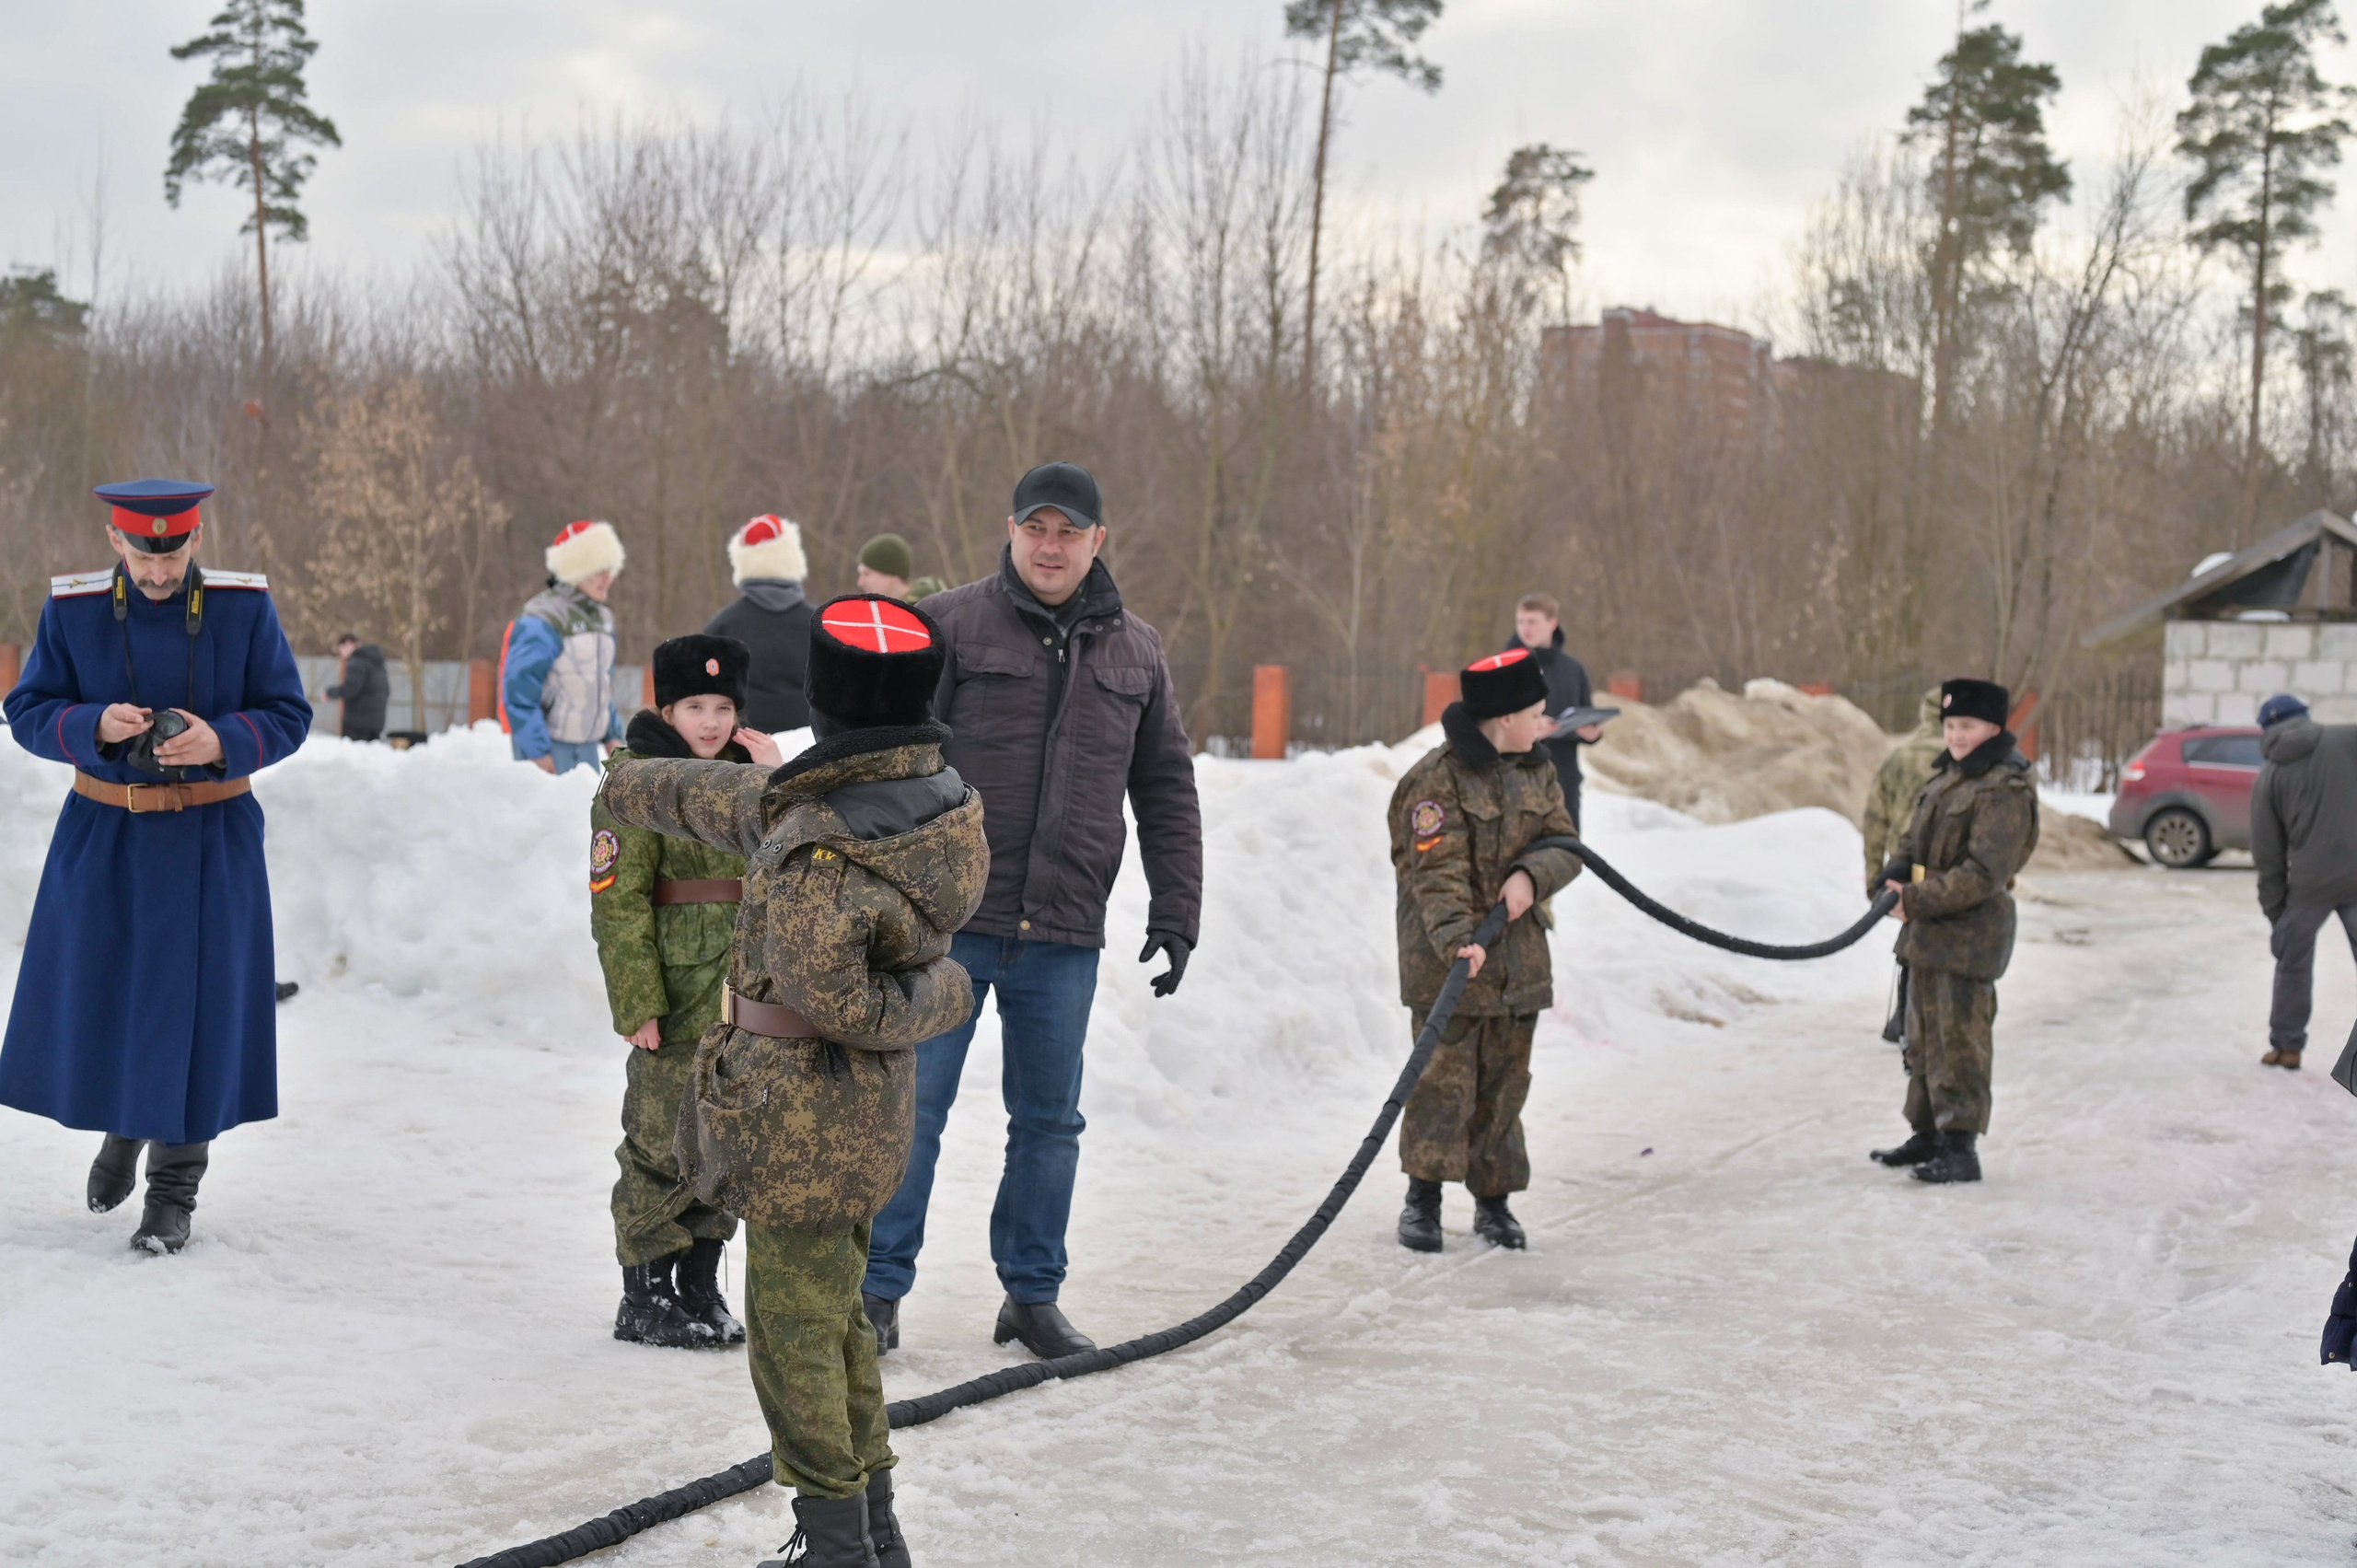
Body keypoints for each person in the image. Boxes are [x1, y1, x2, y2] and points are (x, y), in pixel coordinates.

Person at [598, 592, 986, 1568]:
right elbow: (730, 800)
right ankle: (873, 1517)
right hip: (863, 1114)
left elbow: (842, 1000)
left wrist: (944, 988)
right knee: (839, 1311)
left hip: (800, 1115)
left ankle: (836, 1538)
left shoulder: (820, 846)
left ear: (826, 695)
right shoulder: (924, 796)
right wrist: (629, 780)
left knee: (794, 1332)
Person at [861, 459, 1203, 1362]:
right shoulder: (949, 626)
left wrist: (1177, 906)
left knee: (1049, 1122)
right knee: (911, 1109)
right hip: (946, 924)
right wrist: (882, 891)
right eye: (1034, 528)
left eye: (1068, 531)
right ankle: (876, 1290)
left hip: (1062, 930)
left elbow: (1165, 782)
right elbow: (888, 758)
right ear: (1009, 532)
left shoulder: (1139, 649)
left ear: (1099, 540)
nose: (1049, 546)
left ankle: (1031, 1294)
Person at [0, 478, 310, 1253]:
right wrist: (89, 723)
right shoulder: (71, 609)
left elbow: (289, 714)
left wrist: (222, 741)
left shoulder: (243, 608)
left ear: (196, 539)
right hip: (106, 834)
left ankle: (174, 1192)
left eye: (173, 555)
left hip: (214, 836)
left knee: (199, 1011)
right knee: (112, 998)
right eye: (145, 555)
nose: (160, 573)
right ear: (116, 541)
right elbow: (28, 709)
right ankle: (124, 1130)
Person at [592, 633, 782, 1350]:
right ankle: (644, 1290)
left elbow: (792, 857)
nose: (711, 721)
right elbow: (618, 901)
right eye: (695, 705)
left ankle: (699, 1281)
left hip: (743, 999)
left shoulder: (746, 775)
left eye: (724, 706)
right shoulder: (635, 781)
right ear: (665, 708)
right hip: (673, 997)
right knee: (658, 1140)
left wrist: (775, 778)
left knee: (724, 1141)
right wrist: (637, 1000)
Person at [1388, 647, 1584, 1253]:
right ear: (1503, 719)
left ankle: (1493, 1201)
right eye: (1535, 712)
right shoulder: (1435, 779)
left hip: (1516, 964)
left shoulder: (1536, 769)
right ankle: (1423, 1198)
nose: (1543, 722)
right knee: (1442, 1083)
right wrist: (1460, 943)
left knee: (1504, 1084)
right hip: (1450, 964)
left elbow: (1565, 843)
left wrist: (1531, 874)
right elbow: (1435, 874)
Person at [1868, 678, 2040, 1185]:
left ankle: (1960, 1149)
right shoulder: (1949, 777)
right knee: (1921, 1038)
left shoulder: (2003, 787)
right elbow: (1913, 840)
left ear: (1992, 727)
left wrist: (1914, 901)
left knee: (1958, 1044)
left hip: (1969, 937)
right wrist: (1893, 874)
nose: (1957, 735)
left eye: (1967, 725)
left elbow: (1984, 873)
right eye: (1950, 725)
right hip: (1928, 935)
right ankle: (1927, 1134)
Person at [2250, 692, 2357, 1071]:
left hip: (2310, 884)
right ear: (2305, 717)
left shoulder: (2269, 778)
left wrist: (2278, 915)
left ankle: (2287, 1047)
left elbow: (2268, 856)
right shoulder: (2348, 739)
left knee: (2293, 962)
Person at [502, 519, 625, 774]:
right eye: (597, 569)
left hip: (589, 751)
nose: (607, 578)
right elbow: (519, 691)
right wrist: (535, 751)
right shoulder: (541, 619)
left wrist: (613, 735)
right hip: (549, 753)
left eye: (609, 568)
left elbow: (600, 684)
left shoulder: (603, 619)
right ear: (574, 569)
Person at [1860, 686, 1946, 1044]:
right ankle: (1923, 1020)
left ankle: (1904, 1018)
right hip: (1947, 870)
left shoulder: (1899, 758)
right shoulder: (1964, 760)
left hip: (1905, 867)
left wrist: (1874, 879)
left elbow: (1874, 821)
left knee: (1913, 937)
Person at [706, 514, 815, 735]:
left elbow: (704, 694)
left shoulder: (722, 627)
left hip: (742, 752)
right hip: (811, 751)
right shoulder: (820, 624)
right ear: (792, 558)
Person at [1507, 593, 1602, 829]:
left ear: (1552, 623)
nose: (1525, 628)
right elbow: (1489, 724)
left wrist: (1592, 733)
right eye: (1520, 621)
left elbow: (1585, 713)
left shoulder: (1573, 669)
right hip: (1517, 775)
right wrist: (1531, 729)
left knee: (1565, 851)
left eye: (1532, 622)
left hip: (1563, 776)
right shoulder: (1505, 666)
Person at [321, 633, 389, 741]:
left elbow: (350, 689)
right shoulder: (376, 662)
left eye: (341, 649)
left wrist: (329, 693)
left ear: (348, 644)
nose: (341, 654)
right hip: (376, 721)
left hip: (358, 723)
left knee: (352, 755)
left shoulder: (357, 662)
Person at [856, 532, 946, 603]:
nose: (860, 583)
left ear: (891, 574)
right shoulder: (884, 617)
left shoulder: (934, 614)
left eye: (867, 574)